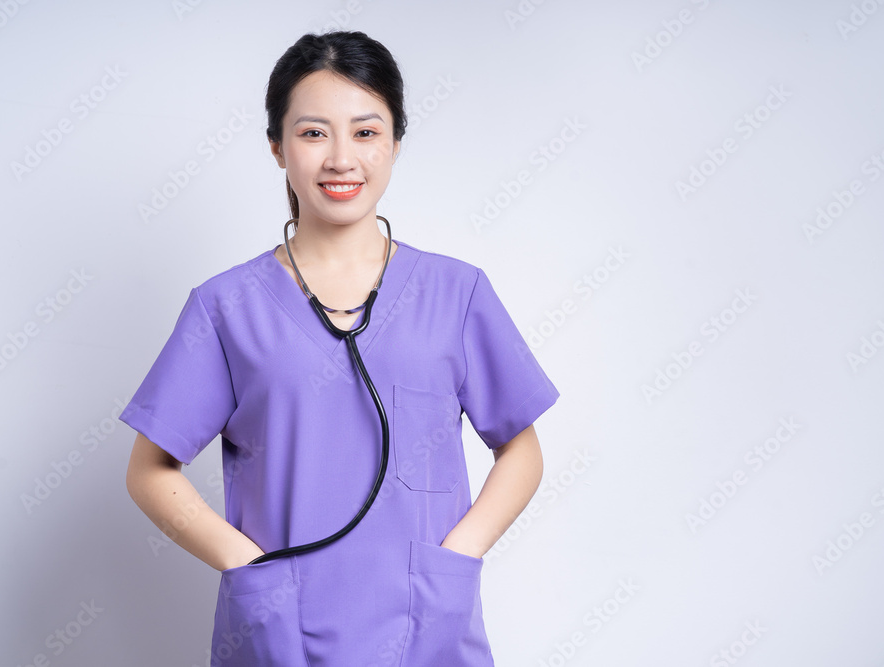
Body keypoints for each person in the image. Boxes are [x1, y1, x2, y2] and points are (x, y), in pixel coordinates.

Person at [121, 30, 559, 666]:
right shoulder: (226, 307)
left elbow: (521, 448)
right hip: (279, 632)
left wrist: (458, 557)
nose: (341, 158)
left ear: (395, 144)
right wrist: (247, 566)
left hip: (428, 629)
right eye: (313, 132)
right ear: (277, 147)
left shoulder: (456, 293)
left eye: (365, 131)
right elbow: (148, 471)